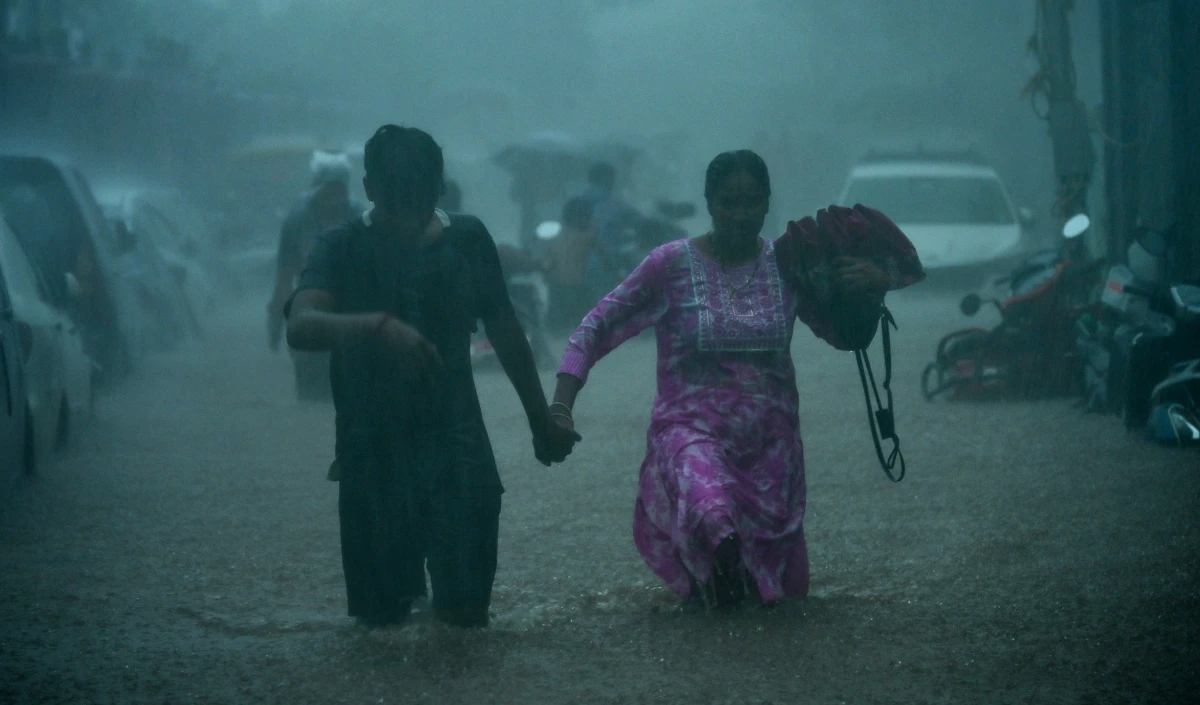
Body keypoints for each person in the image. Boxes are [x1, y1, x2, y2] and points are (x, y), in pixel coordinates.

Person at [549, 150, 892, 608]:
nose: (739, 214)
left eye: (751, 202)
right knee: (714, 519)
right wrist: (560, 406)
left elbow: (848, 336)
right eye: (728, 202)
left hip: (772, 452)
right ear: (709, 203)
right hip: (690, 436)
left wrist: (872, 291)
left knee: (786, 599)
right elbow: (594, 329)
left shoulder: (790, 265)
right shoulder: (668, 265)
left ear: (767, 204)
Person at [285, 125, 580, 628]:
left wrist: (541, 422)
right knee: (381, 631)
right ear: (372, 189)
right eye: (398, 201)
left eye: (422, 200)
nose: (410, 217)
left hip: (459, 455)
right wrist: (376, 327)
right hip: (371, 461)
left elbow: (505, 329)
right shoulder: (340, 247)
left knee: (465, 627)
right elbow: (301, 326)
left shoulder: (467, 240)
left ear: (439, 191)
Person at [268, 151, 363, 401]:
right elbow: (284, 279)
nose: (334, 197)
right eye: (328, 189)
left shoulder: (359, 218)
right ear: (317, 188)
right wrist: (289, 325)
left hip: (352, 314)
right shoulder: (297, 222)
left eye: (339, 190)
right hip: (310, 313)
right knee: (312, 397)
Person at [579, 162, 644, 300]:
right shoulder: (614, 205)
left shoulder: (576, 202)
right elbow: (640, 223)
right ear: (606, 179)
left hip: (575, 264)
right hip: (605, 265)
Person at [544, 196, 596, 332]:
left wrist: (547, 278)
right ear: (583, 218)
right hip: (578, 288)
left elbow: (547, 263)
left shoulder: (554, 238)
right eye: (589, 217)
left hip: (557, 288)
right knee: (586, 325)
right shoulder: (587, 237)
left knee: (557, 327)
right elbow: (607, 259)